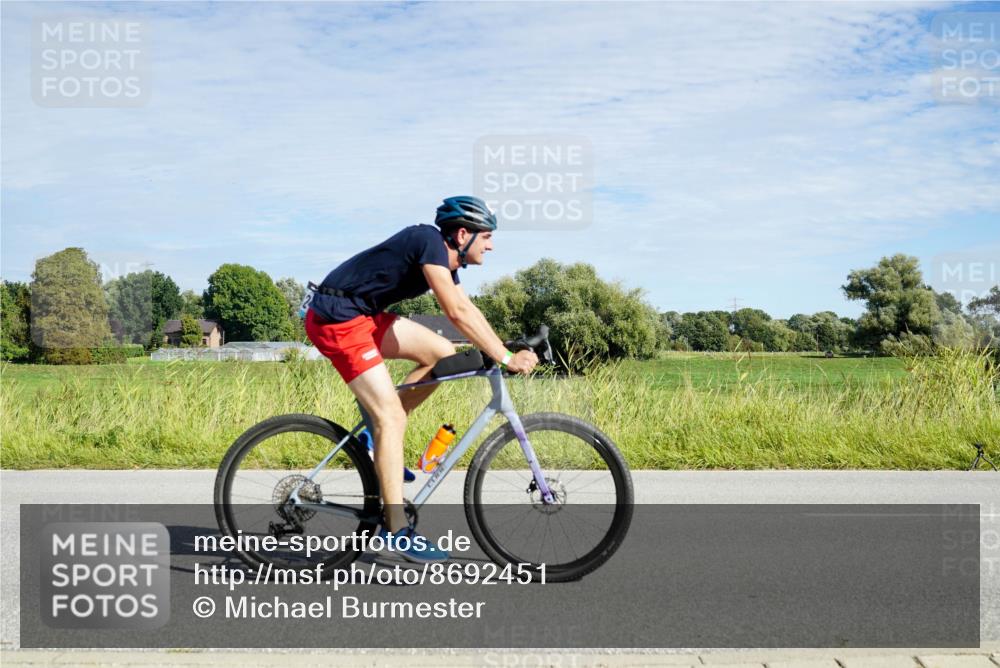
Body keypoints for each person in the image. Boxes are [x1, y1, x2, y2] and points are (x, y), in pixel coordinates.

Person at [304, 196, 538, 562]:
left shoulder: (447, 261)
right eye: (487, 236)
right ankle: (396, 527)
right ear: (463, 234)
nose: (491, 245)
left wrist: (501, 345)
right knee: (392, 418)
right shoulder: (427, 241)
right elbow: (456, 311)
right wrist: (505, 357)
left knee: (445, 355)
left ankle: (374, 433)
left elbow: (468, 309)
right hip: (336, 319)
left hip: (362, 316)